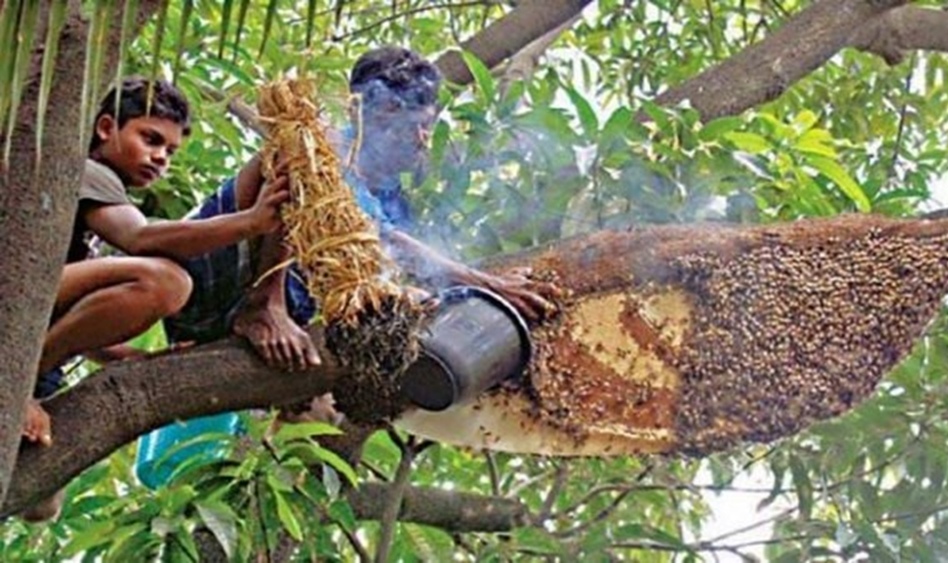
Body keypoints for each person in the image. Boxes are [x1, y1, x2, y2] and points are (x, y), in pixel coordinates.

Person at [163, 46, 556, 371]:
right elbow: (380, 237)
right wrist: (481, 281)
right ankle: (265, 305)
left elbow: (386, 259)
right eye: (399, 122)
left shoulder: (395, 196)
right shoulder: (330, 148)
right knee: (294, 151)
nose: (417, 138)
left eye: (425, 125)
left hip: (278, 319)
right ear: (359, 113)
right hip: (213, 286)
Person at [19, 76, 292, 520]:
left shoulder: (89, 201)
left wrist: (129, 357)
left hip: (30, 322)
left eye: (170, 151)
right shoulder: (85, 169)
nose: (160, 157)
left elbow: (72, 314)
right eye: (150, 139)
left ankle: (28, 381)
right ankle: (19, 382)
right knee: (167, 283)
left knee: (43, 505)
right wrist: (251, 223)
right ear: (106, 127)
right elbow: (140, 236)